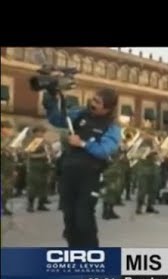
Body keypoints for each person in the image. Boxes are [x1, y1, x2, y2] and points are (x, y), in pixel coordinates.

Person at [43, 88, 121, 248]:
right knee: (69, 217)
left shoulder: (112, 127)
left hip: (89, 176)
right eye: (93, 99)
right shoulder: (80, 114)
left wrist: (83, 143)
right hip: (69, 172)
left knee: (83, 218)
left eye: (97, 102)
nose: (92, 103)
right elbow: (57, 119)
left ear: (107, 108)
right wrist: (50, 98)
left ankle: (92, 256)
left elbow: (105, 150)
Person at [26, 125, 51, 213]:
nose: (41, 134)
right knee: (33, 185)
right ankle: (30, 204)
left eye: (43, 132)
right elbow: (29, 155)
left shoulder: (46, 142)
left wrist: (51, 154)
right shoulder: (35, 142)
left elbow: (50, 152)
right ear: (35, 133)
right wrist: (42, 155)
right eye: (39, 132)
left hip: (45, 165)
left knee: (43, 185)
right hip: (35, 165)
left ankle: (41, 204)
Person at [1, 120, 17, 216]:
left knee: (7, 187)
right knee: (4, 187)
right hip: (2, 165)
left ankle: (3, 205)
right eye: (8, 128)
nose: (10, 131)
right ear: (2, 128)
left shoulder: (8, 139)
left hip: (8, 165)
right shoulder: (4, 139)